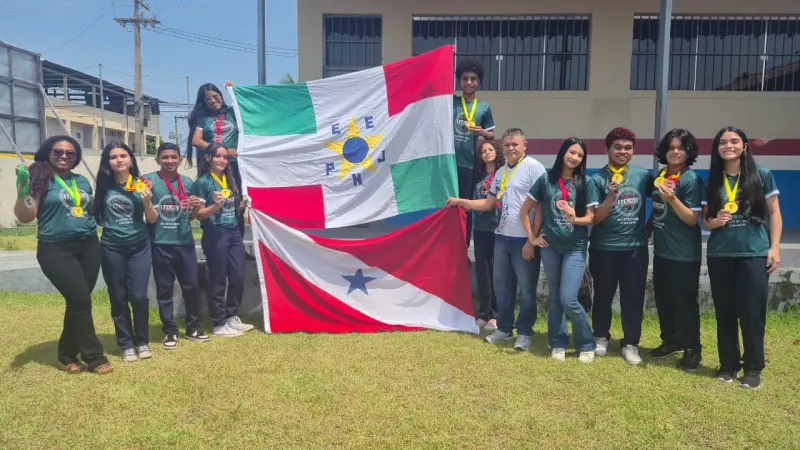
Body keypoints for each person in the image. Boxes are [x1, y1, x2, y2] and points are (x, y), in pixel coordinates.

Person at [13, 136, 113, 374]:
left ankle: (66, 354)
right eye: (58, 152)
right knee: (80, 299)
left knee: (78, 301)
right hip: (55, 249)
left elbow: (87, 210)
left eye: (70, 153)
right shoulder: (38, 177)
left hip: (89, 245)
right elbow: (25, 216)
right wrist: (23, 189)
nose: (64, 156)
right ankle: (94, 356)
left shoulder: (81, 181)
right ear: (48, 152)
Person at [446, 128, 546, 351]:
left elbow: (541, 206)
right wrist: (460, 202)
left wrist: (532, 239)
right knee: (502, 287)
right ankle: (504, 328)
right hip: (501, 238)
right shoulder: (500, 173)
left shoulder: (534, 168)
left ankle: (525, 332)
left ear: (524, 145)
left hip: (523, 239)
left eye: (515, 144)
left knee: (527, 289)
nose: (511, 148)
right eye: (507, 144)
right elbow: (488, 204)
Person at [702, 127, 782, 389]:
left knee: (751, 313)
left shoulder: (762, 175)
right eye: (723, 142)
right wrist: (716, 221)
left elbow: (774, 213)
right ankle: (728, 364)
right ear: (717, 148)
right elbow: (706, 221)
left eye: (734, 141)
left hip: (753, 254)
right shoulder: (712, 180)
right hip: (720, 254)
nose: (728, 145)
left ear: (744, 146)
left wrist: (774, 248)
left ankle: (753, 367)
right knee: (725, 312)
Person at [520, 137, 596, 363]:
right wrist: (532, 238)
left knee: (568, 298)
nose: (575, 158)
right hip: (550, 247)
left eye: (580, 155)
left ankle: (587, 343)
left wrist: (576, 218)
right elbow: (525, 211)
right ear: (563, 153)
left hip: (575, 247)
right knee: (554, 297)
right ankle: (558, 342)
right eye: (572, 152)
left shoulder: (586, 182)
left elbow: (591, 217)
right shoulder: (546, 180)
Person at [586, 127, 654, 365]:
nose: (623, 151)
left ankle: (630, 343)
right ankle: (601, 336)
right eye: (618, 147)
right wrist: (610, 198)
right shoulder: (596, 179)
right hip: (603, 247)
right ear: (607, 149)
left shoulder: (643, 175)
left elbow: (660, 202)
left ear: (633, 151)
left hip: (635, 248)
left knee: (633, 297)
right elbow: (596, 218)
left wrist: (650, 225)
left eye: (628, 148)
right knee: (603, 296)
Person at [92, 141, 157, 362]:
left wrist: (148, 203)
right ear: (107, 161)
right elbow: (96, 213)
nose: (118, 160)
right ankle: (126, 344)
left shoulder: (142, 184)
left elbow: (152, 219)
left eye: (123, 155)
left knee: (139, 296)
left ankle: (142, 341)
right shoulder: (103, 185)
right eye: (113, 157)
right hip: (111, 247)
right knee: (118, 297)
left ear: (130, 159)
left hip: (139, 246)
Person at [143, 143, 210, 349]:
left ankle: (193, 327)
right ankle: (169, 330)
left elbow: (192, 216)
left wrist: (195, 207)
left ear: (180, 160)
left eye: (174, 157)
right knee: (164, 289)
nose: (169, 161)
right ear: (158, 160)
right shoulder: (149, 181)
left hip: (184, 243)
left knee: (191, 286)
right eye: (165, 157)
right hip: (160, 243)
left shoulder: (189, 183)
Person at [649, 129, 704, 372]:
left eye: (681, 147)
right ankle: (671, 341)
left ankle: (693, 349)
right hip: (662, 251)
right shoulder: (661, 175)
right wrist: (648, 225)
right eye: (671, 147)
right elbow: (658, 206)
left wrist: (673, 199)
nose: (675, 151)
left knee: (684, 303)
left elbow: (692, 219)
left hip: (684, 254)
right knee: (664, 300)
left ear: (689, 152)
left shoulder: (691, 180)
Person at [193, 143, 254, 337]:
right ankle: (218, 322)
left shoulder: (230, 179)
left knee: (238, 276)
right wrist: (215, 207)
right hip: (214, 233)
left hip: (234, 232)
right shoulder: (202, 182)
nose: (222, 160)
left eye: (225, 157)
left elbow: (232, 208)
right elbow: (198, 214)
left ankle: (231, 316)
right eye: (218, 156)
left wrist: (242, 206)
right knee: (218, 278)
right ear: (208, 158)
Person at [453, 60, 495, 248]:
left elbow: (492, 134)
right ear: (459, 82)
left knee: (466, 207)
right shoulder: (451, 101)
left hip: (469, 165)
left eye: (473, 79)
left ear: (478, 82)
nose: (469, 83)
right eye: (465, 79)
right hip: (448, 163)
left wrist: (482, 133)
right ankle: (447, 246)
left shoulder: (484, 107)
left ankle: (462, 246)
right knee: (446, 205)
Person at [472, 140, 504, 330]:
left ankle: (496, 314)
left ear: (497, 152)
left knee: (496, 273)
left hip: (497, 229)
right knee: (483, 273)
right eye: (483, 151)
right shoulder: (478, 176)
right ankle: (483, 313)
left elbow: (490, 204)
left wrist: (463, 202)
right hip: (480, 229)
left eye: (491, 149)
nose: (487, 153)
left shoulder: (502, 174)